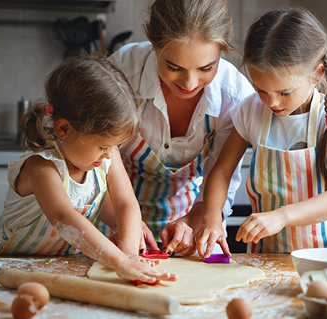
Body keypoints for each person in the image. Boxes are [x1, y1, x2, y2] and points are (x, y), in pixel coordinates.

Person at [0, 55, 177, 284]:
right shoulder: (41, 167)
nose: (110, 153)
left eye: (116, 146)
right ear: (64, 128)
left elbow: (126, 204)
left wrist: (129, 252)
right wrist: (121, 263)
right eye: (104, 145)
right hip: (2, 271)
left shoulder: (105, 157)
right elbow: (64, 218)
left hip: (55, 270)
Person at [196, 7, 327, 257]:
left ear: (317, 73)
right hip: (265, 254)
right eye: (261, 90)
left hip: (323, 255)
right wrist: (212, 220)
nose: (272, 102)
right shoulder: (251, 111)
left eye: (284, 92)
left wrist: (282, 216)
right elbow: (220, 173)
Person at [100, 0, 255, 256]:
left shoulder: (235, 97)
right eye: (174, 67)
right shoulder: (122, 73)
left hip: (193, 213)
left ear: (223, 51)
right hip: (111, 214)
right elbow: (96, 160)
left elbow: (219, 178)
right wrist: (126, 223)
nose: (189, 83)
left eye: (206, 68)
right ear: (154, 45)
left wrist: (189, 224)